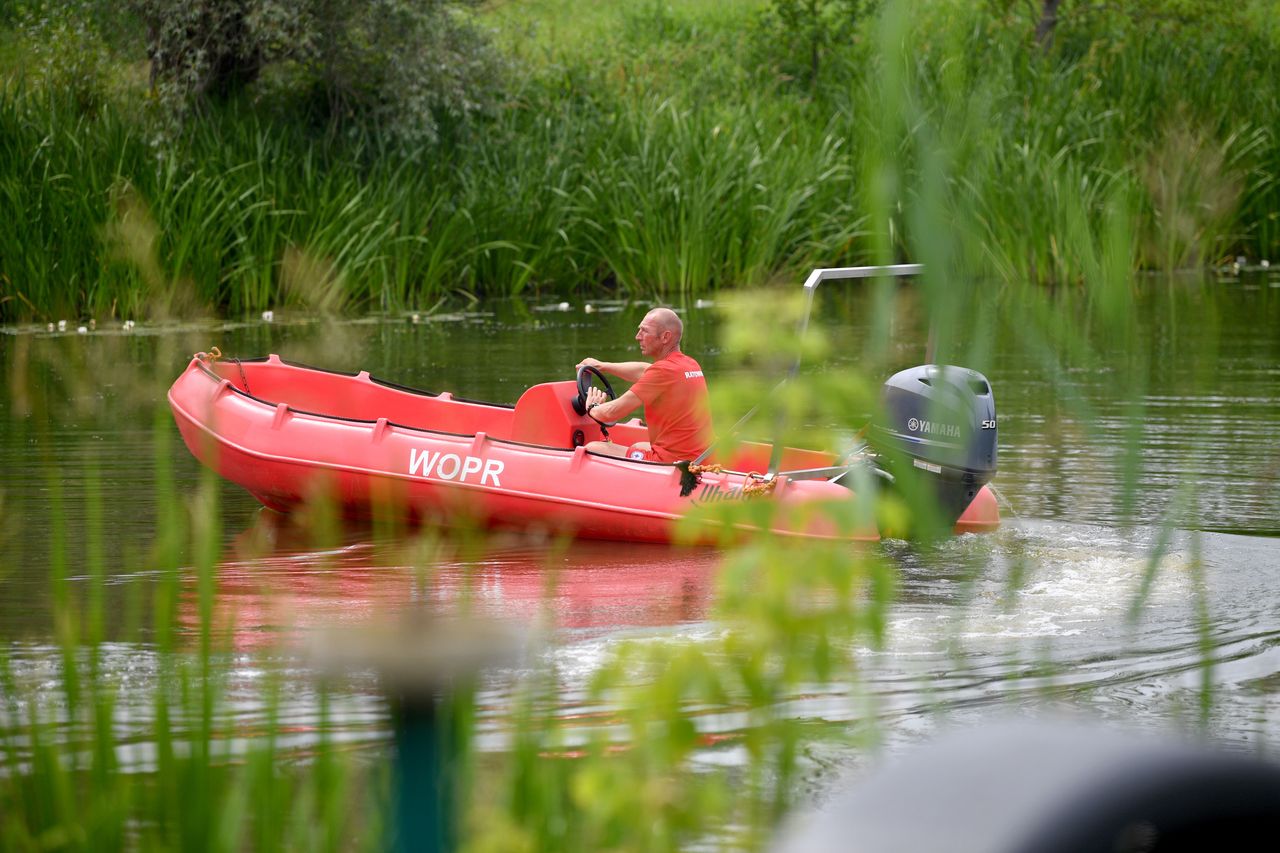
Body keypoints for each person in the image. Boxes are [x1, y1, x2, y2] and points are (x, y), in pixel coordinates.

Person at [576, 307, 712, 463]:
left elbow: (612, 412)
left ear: (665, 337)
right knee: (639, 445)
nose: (637, 337)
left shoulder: (662, 372)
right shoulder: (689, 364)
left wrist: (592, 408)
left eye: (644, 331)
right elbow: (644, 370)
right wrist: (603, 366)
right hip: (699, 457)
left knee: (593, 448)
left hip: (673, 462)